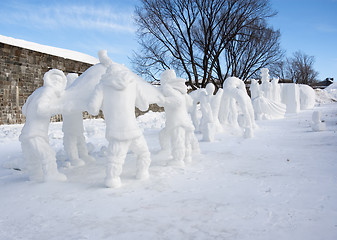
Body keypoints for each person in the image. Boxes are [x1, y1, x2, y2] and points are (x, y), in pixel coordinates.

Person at [88, 63, 151, 188]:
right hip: (133, 129)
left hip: (116, 131)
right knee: (144, 153)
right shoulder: (133, 83)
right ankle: (142, 173)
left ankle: (112, 180)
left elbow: (93, 109)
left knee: (115, 159)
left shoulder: (102, 86)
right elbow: (144, 106)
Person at [19, 69, 67, 182]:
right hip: (37, 133)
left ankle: (35, 177)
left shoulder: (37, 92)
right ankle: (52, 175)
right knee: (47, 154)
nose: (57, 83)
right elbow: (42, 108)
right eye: (55, 80)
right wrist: (59, 108)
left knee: (32, 159)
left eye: (59, 81)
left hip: (26, 133)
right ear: (49, 80)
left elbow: (24, 110)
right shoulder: (48, 91)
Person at [159, 69, 199, 166]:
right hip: (183, 119)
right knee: (183, 140)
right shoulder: (181, 90)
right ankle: (187, 156)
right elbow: (189, 103)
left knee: (178, 140)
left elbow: (177, 102)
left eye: (162, 79)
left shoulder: (168, 87)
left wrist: (164, 100)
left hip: (176, 121)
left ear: (166, 78)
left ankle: (178, 160)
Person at [62, 73, 95, 167]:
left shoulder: (79, 96)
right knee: (71, 142)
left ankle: (84, 155)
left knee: (81, 141)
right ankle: (73, 158)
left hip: (78, 126)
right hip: (69, 127)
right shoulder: (65, 95)